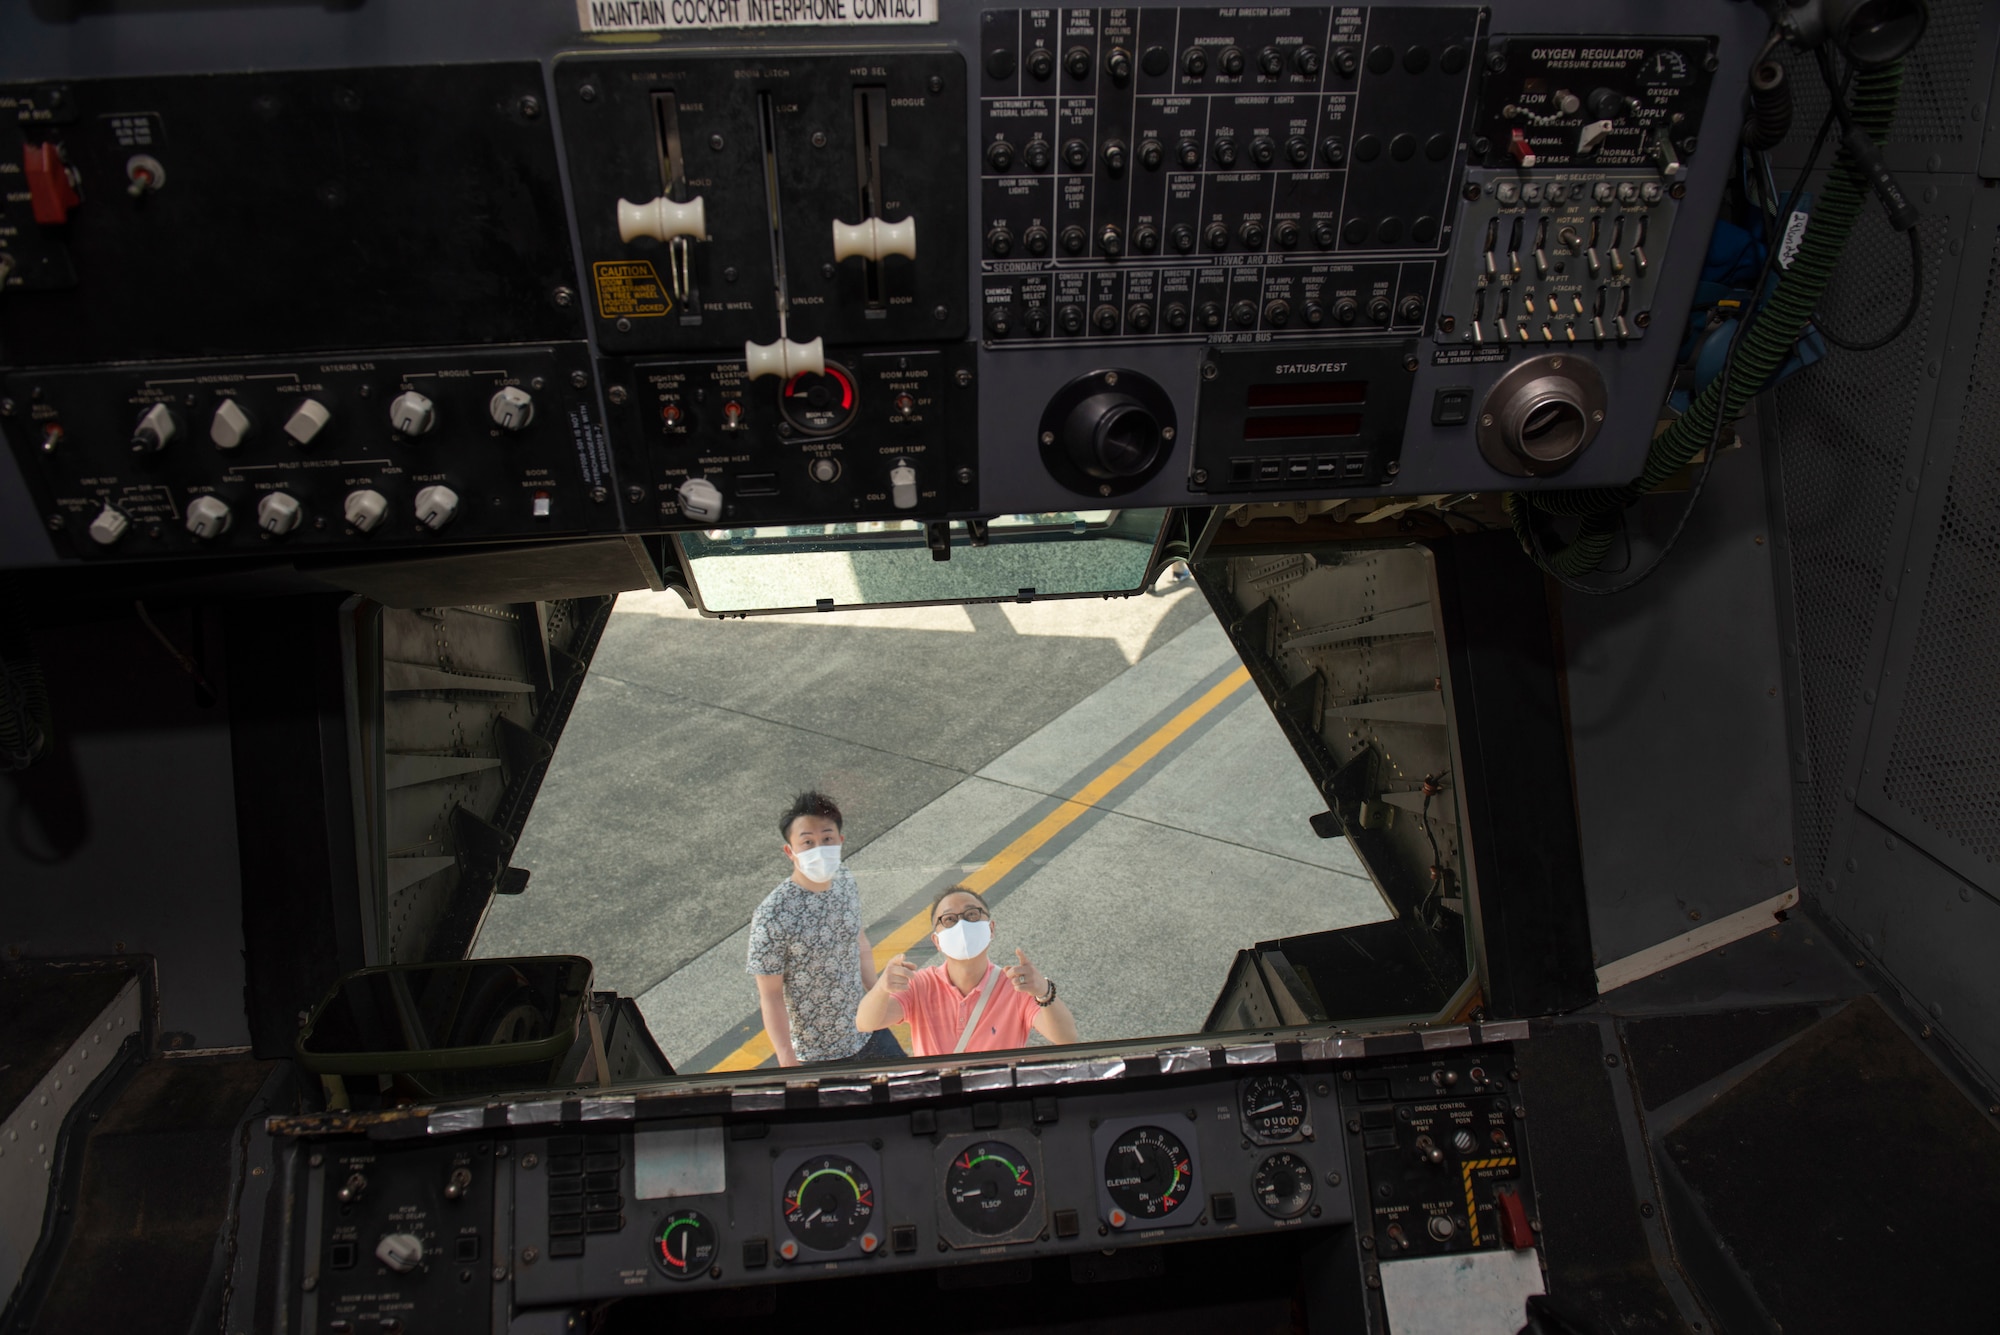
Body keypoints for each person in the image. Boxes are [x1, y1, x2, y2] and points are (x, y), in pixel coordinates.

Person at [746, 791, 905, 1066]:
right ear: (790, 851)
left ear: (840, 841)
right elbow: (770, 995)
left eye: (827, 839)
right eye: (807, 842)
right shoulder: (772, 915)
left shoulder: (845, 879)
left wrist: (880, 994)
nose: (819, 849)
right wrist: (787, 1058)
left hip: (869, 1030)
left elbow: (859, 941)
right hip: (818, 1055)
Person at [855, 885, 1078, 1056]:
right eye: (949, 919)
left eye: (972, 915)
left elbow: (1067, 1039)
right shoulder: (920, 985)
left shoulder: (1016, 987)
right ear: (937, 941)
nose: (962, 925)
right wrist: (882, 988)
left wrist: (1043, 990)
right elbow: (865, 1023)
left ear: (991, 928)